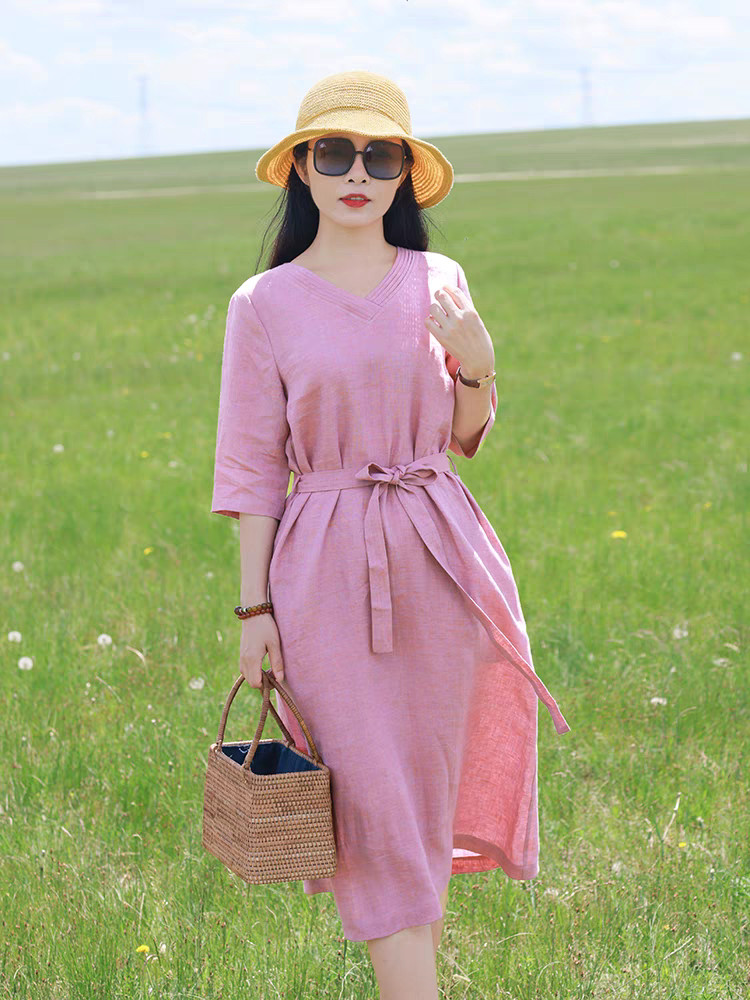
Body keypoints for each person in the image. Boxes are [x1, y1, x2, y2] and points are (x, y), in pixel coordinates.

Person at [211, 69, 571, 1000]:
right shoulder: (263, 303)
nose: (357, 174)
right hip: (325, 572)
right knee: (370, 807)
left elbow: (462, 435)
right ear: (302, 168)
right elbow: (252, 468)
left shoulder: (439, 280)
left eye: (380, 156)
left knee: (421, 802)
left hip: (443, 557)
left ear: (407, 172)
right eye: (335, 153)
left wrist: (481, 368)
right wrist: (254, 609)